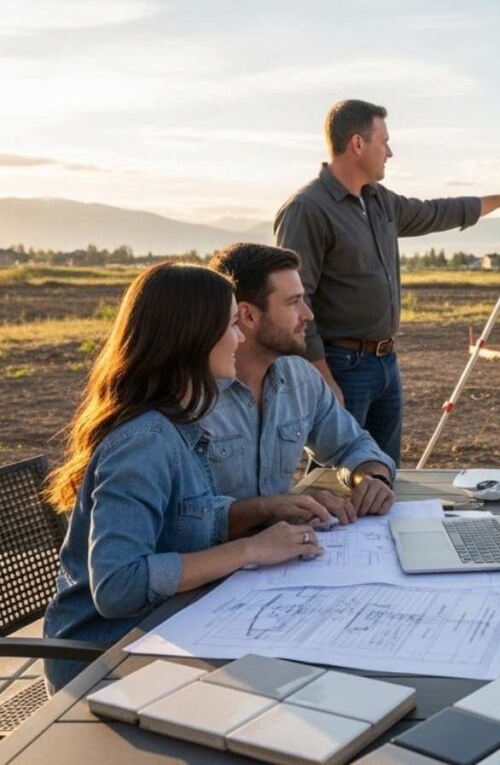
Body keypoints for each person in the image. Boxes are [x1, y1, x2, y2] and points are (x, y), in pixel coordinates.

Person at [43, 263, 324, 692]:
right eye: (231, 325)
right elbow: (119, 586)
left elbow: (185, 521)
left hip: (168, 631)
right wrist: (251, 549)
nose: (241, 338)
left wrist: (267, 510)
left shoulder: (180, 425)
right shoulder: (145, 441)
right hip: (108, 660)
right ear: (192, 336)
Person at [275, 99, 500, 465]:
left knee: (383, 474)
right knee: (337, 478)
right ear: (357, 144)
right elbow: (294, 301)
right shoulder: (307, 209)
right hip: (341, 366)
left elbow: (434, 212)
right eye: (384, 142)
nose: (390, 152)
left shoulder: (380, 201)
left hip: (385, 363)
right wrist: (322, 376)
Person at [206, 242, 395, 522]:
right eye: (293, 302)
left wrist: (371, 476)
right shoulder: (190, 397)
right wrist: (275, 508)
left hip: (285, 553)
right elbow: (184, 520)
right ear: (248, 315)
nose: (308, 314)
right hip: (217, 562)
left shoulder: (301, 378)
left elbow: (351, 444)